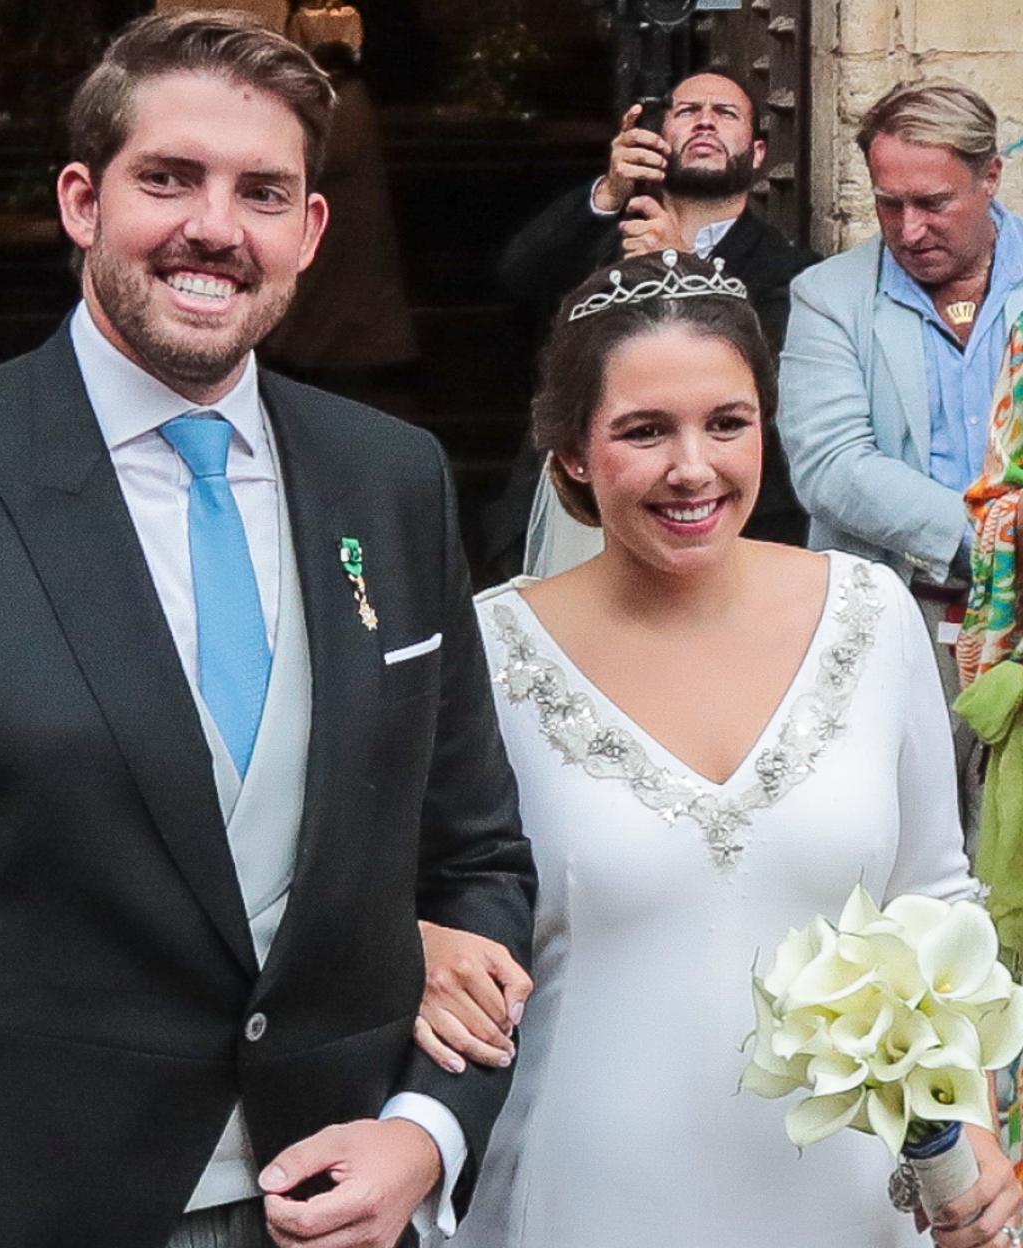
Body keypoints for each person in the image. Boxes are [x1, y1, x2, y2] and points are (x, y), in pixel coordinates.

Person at [0, 14, 535, 1248]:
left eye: (262, 192)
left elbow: (477, 860)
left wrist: (426, 1133)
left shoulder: (391, 477)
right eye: (170, 179)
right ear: (82, 202)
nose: (215, 228)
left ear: (310, 231)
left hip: (327, 1203)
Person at [416, 250, 1021, 1247]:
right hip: (583, 1197)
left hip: (853, 1203)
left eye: (727, 423)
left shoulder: (869, 613)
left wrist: (972, 1129)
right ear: (573, 451)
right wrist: (420, 942)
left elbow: (933, 899)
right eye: (644, 430)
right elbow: (413, 902)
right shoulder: (489, 655)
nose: (692, 467)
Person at [777, 79, 1023, 831]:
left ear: (990, 177)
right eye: (890, 204)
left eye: (933, 203)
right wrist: (998, 542)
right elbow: (829, 464)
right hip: (899, 616)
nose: (909, 230)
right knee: (909, 847)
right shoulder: (828, 296)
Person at [485, 70, 818, 578]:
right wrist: (609, 191)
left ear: (757, 154)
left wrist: (685, 269)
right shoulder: (603, 236)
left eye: (725, 113)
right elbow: (518, 277)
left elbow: (766, 378)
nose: (705, 122)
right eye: (687, 111)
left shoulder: (791, 272)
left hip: (711, 524)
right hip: (573, 514)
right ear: (657, 138)